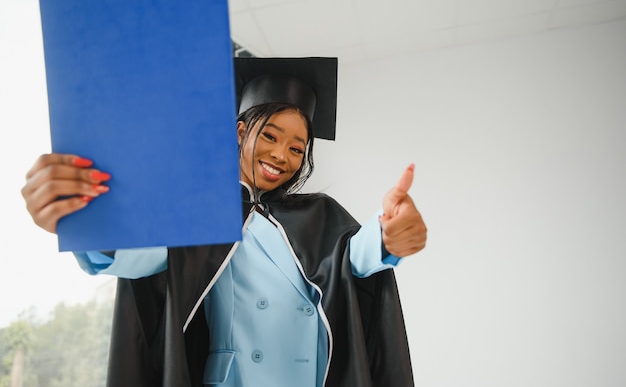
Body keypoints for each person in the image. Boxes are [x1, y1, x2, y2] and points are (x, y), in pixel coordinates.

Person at [21, 57, 427, 387]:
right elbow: (143, 254)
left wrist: (388, 234)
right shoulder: (199, 211)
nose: (282, 155)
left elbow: (356, 255)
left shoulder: (320, 213)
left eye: (296, 148)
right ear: (239, 131)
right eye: (269, 136)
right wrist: (80, 222)